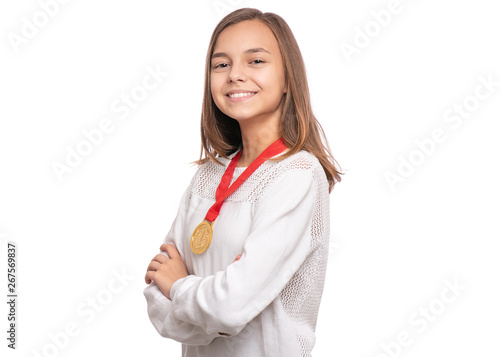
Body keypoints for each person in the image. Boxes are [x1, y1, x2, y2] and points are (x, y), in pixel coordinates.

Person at [143, 7, 343, 357]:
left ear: (287, 79)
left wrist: (181, 287)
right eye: (221, 64)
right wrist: (209, 305)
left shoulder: (297, 174)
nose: (235, 75)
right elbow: (157, 299)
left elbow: (230, 307)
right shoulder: (207, 175)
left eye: (256, 61)